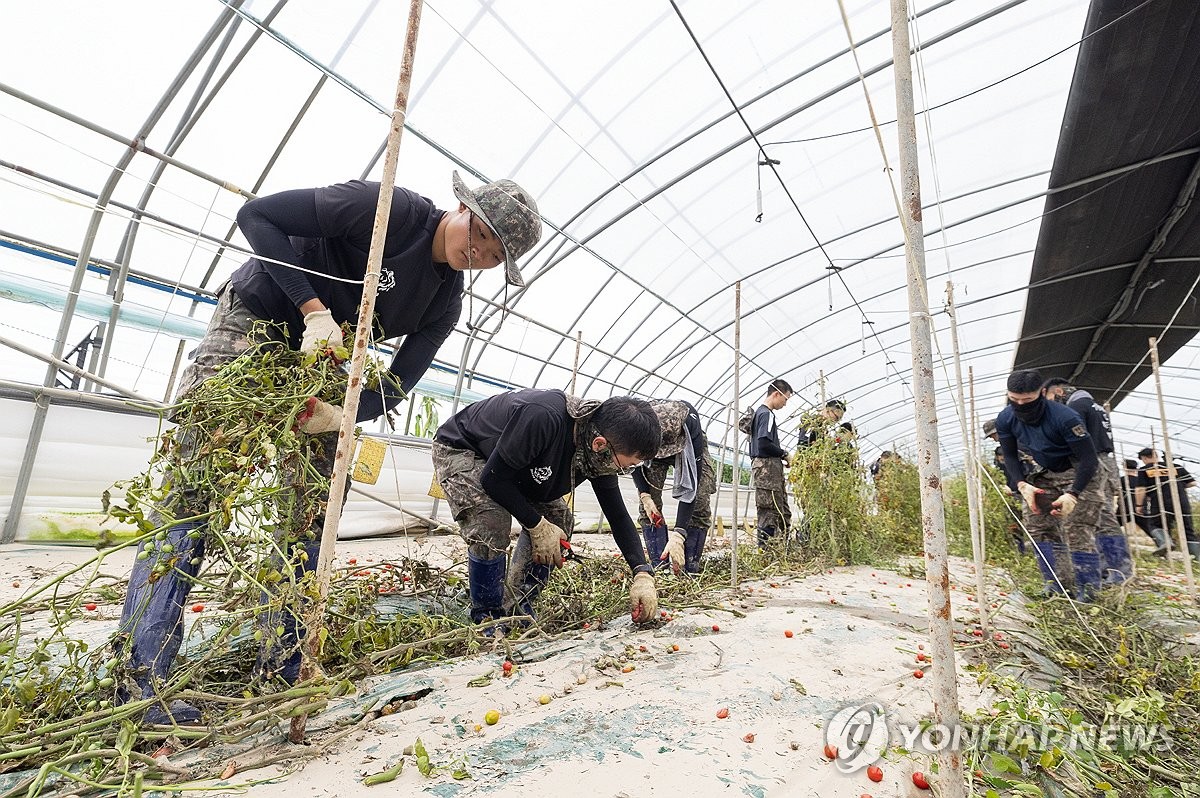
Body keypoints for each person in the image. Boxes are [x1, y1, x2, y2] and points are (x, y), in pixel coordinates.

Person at [115, 174, 542, 725]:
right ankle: (143, 685)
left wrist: (344, 413)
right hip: (259, 321)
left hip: (321, 372)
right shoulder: (386, 210)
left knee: (310, 514)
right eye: (478, 234)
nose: (475, 253)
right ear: (462, 207)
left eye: (490, 256)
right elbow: (257, 217)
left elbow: (399, 382)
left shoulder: (442, 303)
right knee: (195, 496)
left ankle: (284, 668)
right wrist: (313, 309)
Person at [432, 391, 663, 624]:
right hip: (464, 448)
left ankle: (519, 607)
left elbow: (617, 515)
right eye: (628, 465)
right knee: (491, 521)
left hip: (516, 467)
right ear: (600, 444)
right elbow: (493, 480)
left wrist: (642, 572)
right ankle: (487, 617)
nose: (624, 471)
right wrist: (536, 525)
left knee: (559, 521)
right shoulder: (544, 418)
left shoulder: (600, 454)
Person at [995, 370, 1103, 599]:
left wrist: (1073, 494)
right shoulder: (1005, 418)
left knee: (1077, 529)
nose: (1021, 405)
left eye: (1028, 400)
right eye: (1014, 400)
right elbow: (1011, 455)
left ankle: (1089, 590)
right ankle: (1056, 584)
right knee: (1037, 525)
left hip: (1079, 473)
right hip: (1046, 472)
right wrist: (1022, 484)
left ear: (1042, 393)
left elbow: (1089, 460)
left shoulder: (1065, 418)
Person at [1041, 378, 1131, 584]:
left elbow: (1073, 439)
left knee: (1100, 516)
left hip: (1096, 462)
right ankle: (1113, 570)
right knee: (1102, 514)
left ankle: (1119, 573)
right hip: (1106, 461)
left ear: (1059, 391)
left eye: (1051, 398)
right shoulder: (1095, 406)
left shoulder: (1076, 407)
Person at [633, 400, 717, 574]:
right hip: (650, 447)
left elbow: (692, 487)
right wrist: (645, 496)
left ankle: (689, 568)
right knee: (649, 509)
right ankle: (659, 566)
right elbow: (633, 461)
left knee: (701, 501)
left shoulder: (691, 428)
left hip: (686, 443)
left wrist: (678, 533)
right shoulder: (638, 424)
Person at [748, 378, 794, 547]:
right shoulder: (766, 414)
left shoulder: (759, 414)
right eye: (786, 399)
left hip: (766, 470)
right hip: (767, 471)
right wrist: (784, 453)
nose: (785, 404)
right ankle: (766, 553)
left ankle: (775, 551)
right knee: (769, 513)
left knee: (778, 511)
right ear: (777, 394)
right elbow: (764, 444)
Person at [1135, 448, 1198, 560]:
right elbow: (1192, 483)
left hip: (1160, 501)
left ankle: (1165, 543)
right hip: (1181, 501)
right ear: (1156, 456)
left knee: (1156, 525)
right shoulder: (1176, 466)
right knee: (1188, 529)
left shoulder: (1144, 470)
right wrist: (1178, 486)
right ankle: (1198, 557)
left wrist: (1139, 505)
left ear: (1144, 458)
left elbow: (1140, 489)